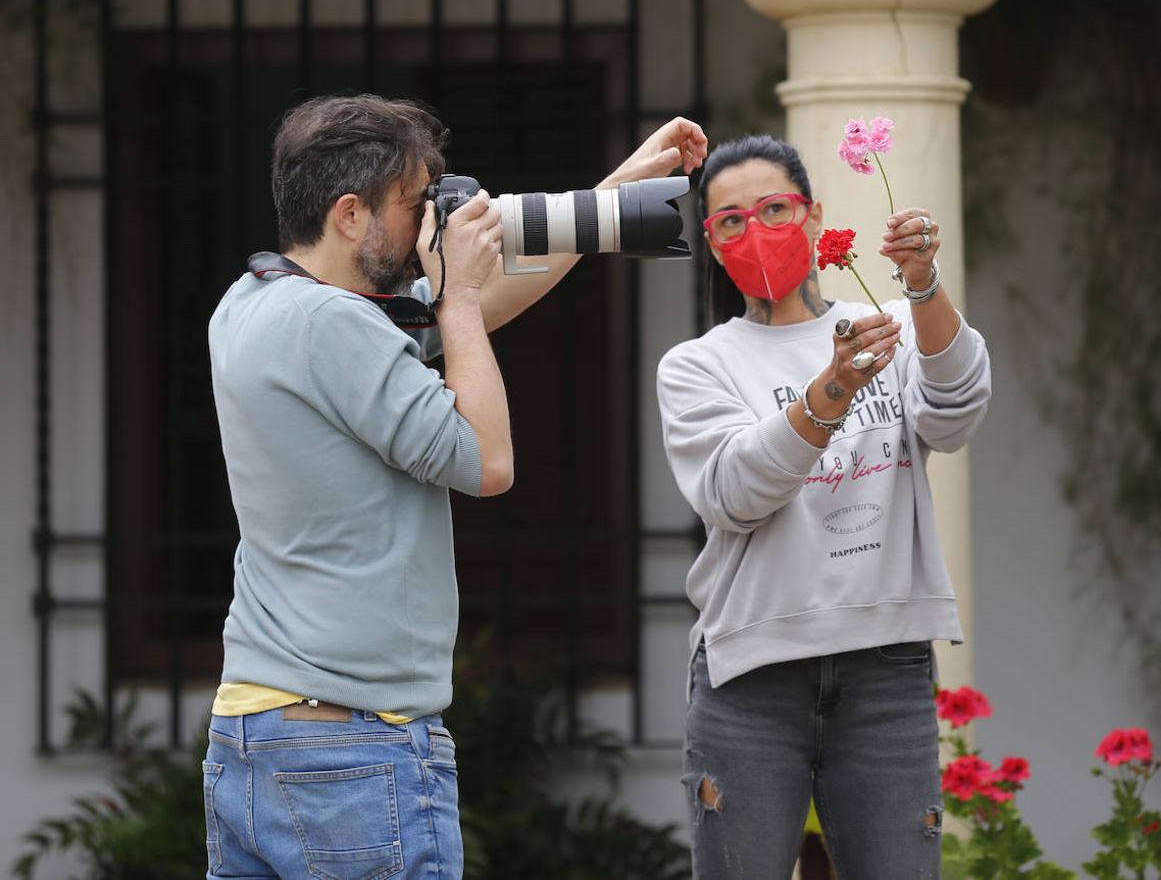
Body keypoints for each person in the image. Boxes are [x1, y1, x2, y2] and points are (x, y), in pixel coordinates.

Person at [203, 93, 706, 879]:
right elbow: (486, 459)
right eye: (412, 206)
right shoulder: (335, 329)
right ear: (348, 214)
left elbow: (465, 320)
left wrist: (614, 195)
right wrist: (459, 291)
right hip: (353, 747)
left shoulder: (254, 303)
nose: (426, 228)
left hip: (261, 733)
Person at [656, 134, 992, 880]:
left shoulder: (888, 329)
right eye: (731, 221)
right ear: (711, 243)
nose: (756, 231)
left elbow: (957, 412)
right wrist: (831, 390)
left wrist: (924, 283)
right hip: (752, 675)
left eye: (774, 209)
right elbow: (736, 494)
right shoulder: (697, 365)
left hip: (885, 667)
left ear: (814, 218)